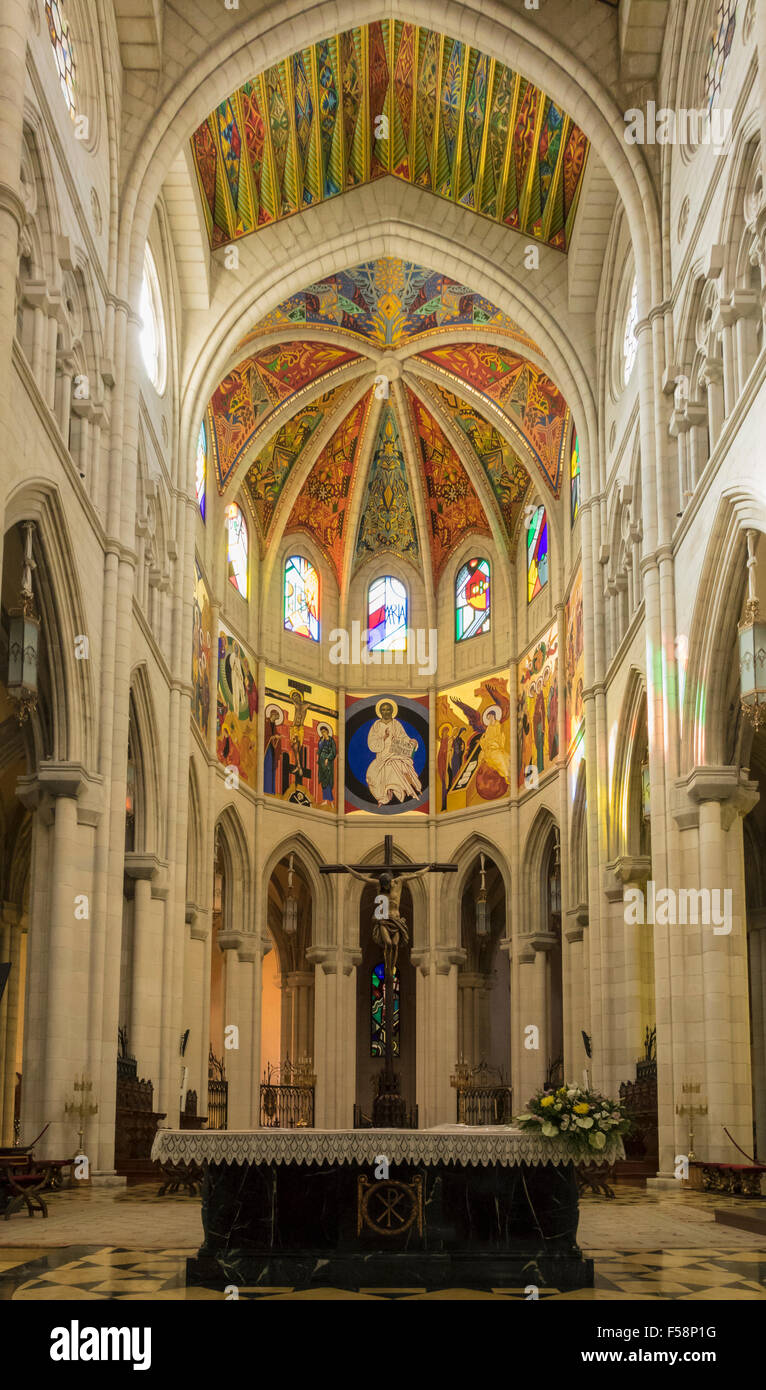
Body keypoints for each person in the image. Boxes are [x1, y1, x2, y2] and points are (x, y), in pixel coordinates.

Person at [365, 699, 421, 806]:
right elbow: (371, 743)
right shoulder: (376, 725)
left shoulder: (396, 724)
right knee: (371, 775)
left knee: (393, 770)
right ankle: (382, 797)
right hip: (381, 756)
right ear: (380, 712)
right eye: (383, 710)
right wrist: (383, 738)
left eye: (388, 710)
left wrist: (411, 742)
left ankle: (394, 794)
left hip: (395, 754)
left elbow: (403, 737)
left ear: (392, 711)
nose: (385, 712)